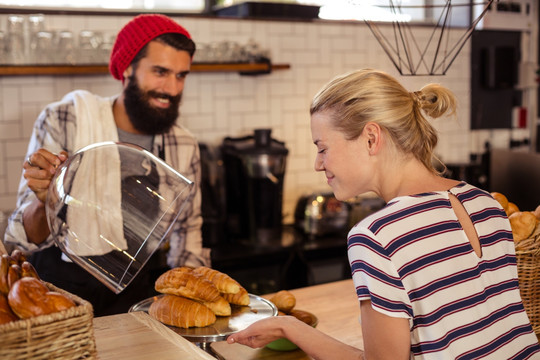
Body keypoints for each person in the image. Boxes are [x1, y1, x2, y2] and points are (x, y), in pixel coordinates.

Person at [227, 69, 540, 359]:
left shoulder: (377, 235)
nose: (318, 164)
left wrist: (290, 328)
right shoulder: (485, 202)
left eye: (322, 148)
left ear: (371, 138)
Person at [4, 14, 210, 316]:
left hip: (133, 297)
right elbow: (20, 239)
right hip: (56, 296)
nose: (172, 88)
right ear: (127, 67)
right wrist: (43, 199)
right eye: (160, 72)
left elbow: (187, 232)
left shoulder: (183, 144)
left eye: (181, 75)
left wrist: (193, 298)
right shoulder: (65, 120)